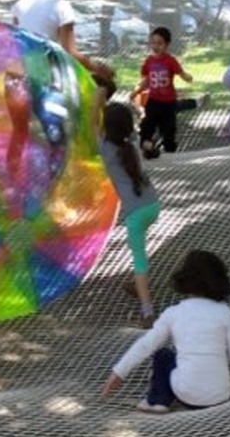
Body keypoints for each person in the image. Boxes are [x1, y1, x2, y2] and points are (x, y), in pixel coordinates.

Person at [102, 250, 230, 413]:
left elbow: (145, 345)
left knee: (163, 355)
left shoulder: (174, 312)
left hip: (187, 395)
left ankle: (157, 401)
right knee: (212, 357)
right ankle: (173, 394)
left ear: (185, 280)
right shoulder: (225, 313)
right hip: (220, 395)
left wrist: (119, 372)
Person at [99, 103, 161, 329]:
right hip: (153, 205)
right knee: (138, 249)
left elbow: (93, 124)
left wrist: (98, 99)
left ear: (107, 128)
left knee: (139, 258)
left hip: (136, 212)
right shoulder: (132, 141)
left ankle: (147, 311)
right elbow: (124, 126)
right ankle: (137, 284)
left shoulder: (106, 149)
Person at [129, 27, 194, 159]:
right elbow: (146, 81)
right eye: (153, 42)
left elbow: (180, 73)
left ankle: (169, 151)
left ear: (166, 45)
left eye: (160, 43)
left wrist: (187, 77)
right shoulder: (149, 61)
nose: (156, 46)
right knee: (147, 124)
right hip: (153, 101)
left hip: (169, 102)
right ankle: (147, 146)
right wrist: (136, 91)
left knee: (169, 128)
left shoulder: (170, 60)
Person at [11, 0, 114, 77]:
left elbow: (17, 41)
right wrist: (97, 68)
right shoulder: (62, 7)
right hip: (46, 73)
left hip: (21, 70)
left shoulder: (21, 3)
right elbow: (70, 53)